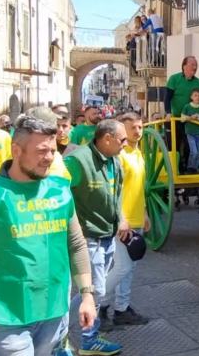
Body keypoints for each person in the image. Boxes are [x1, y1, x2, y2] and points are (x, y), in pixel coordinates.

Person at [0, 114, 96, 356]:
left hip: (55, 311)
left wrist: (87, 295)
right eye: (41, 151)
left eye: (53, 151)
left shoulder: (60, 190)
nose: (49, 158)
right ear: (16, 150)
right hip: (6, 317)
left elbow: (76, 245)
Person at [64, 119, 128, 355]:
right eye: (122, 139)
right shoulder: (78, 161)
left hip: (107, 235)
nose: (126, 143)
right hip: (88, 237)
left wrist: (120, 217)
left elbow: (116, 194)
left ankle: (87, 336)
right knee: (94, 291)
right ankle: (58, 335)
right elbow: (57, 192)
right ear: (107, 139)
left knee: (95, 291)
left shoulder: (114, 161)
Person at [100, 112, 150, 330]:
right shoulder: (118, 156)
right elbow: (112, 190)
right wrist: (121, 220)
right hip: (124, 221)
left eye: (140, 127)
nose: (138, 132)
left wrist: (146, 212)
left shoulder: (138, 153)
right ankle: (98, 307)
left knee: (130, 268)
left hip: (137, 218)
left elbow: (139, 188)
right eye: (133, 128)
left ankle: (122, 308)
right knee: (121, 268)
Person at [166, 56, 199, 166]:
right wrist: (168, 112)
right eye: (192, 64)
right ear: (184, 66)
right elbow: (167, 98)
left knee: (190, 146)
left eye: (196, 65)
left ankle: (187, 168)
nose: (195, 67)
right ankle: (174, 168)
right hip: (176, 118)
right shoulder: (174, 79)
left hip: (192, 121)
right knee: (174, 145)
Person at [181, 88, 199, 172]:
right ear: (191, 97)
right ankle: (190, 167)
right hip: (190, 132)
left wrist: (198, 117)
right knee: (194, 152)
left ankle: (195, 168)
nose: (197, 97)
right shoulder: (187, 106)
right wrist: (190, 117)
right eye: (195, 95)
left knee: (198, 152)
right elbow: (182, 118)